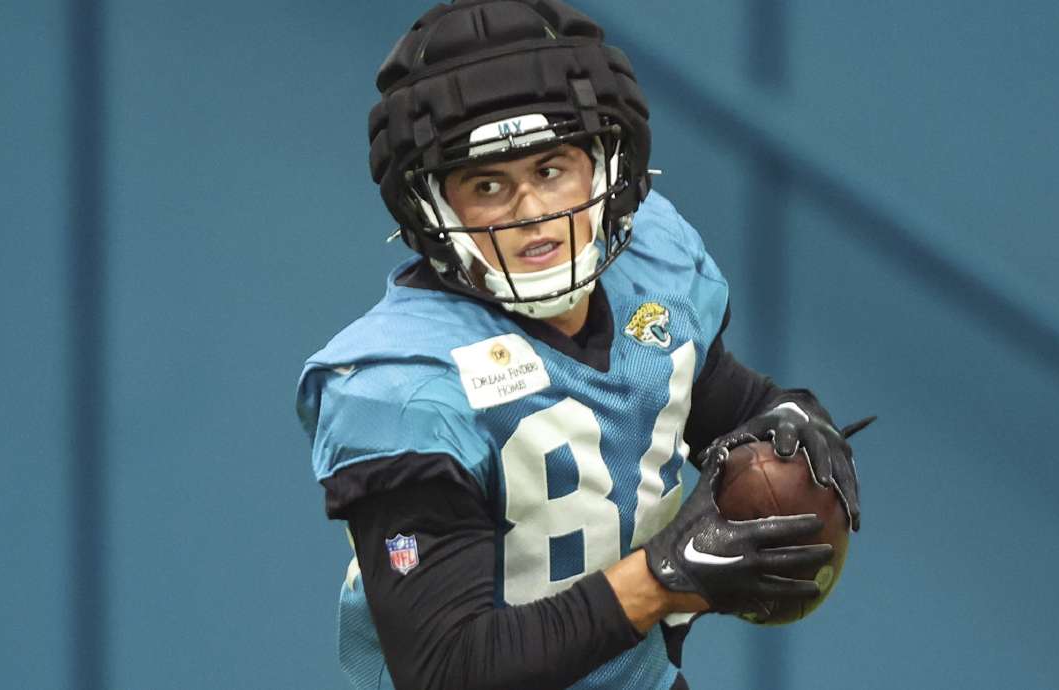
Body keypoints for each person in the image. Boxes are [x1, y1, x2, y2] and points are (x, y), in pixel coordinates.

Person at [296, 2, 861, 688]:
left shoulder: (650, 269)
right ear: (434, 208)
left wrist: (790, 422)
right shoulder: (405, 385)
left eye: (551, 169)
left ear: (604, 166)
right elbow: (450, 669)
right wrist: (660, 577)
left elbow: (716, 403)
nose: (532, 212)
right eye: (487, 185)